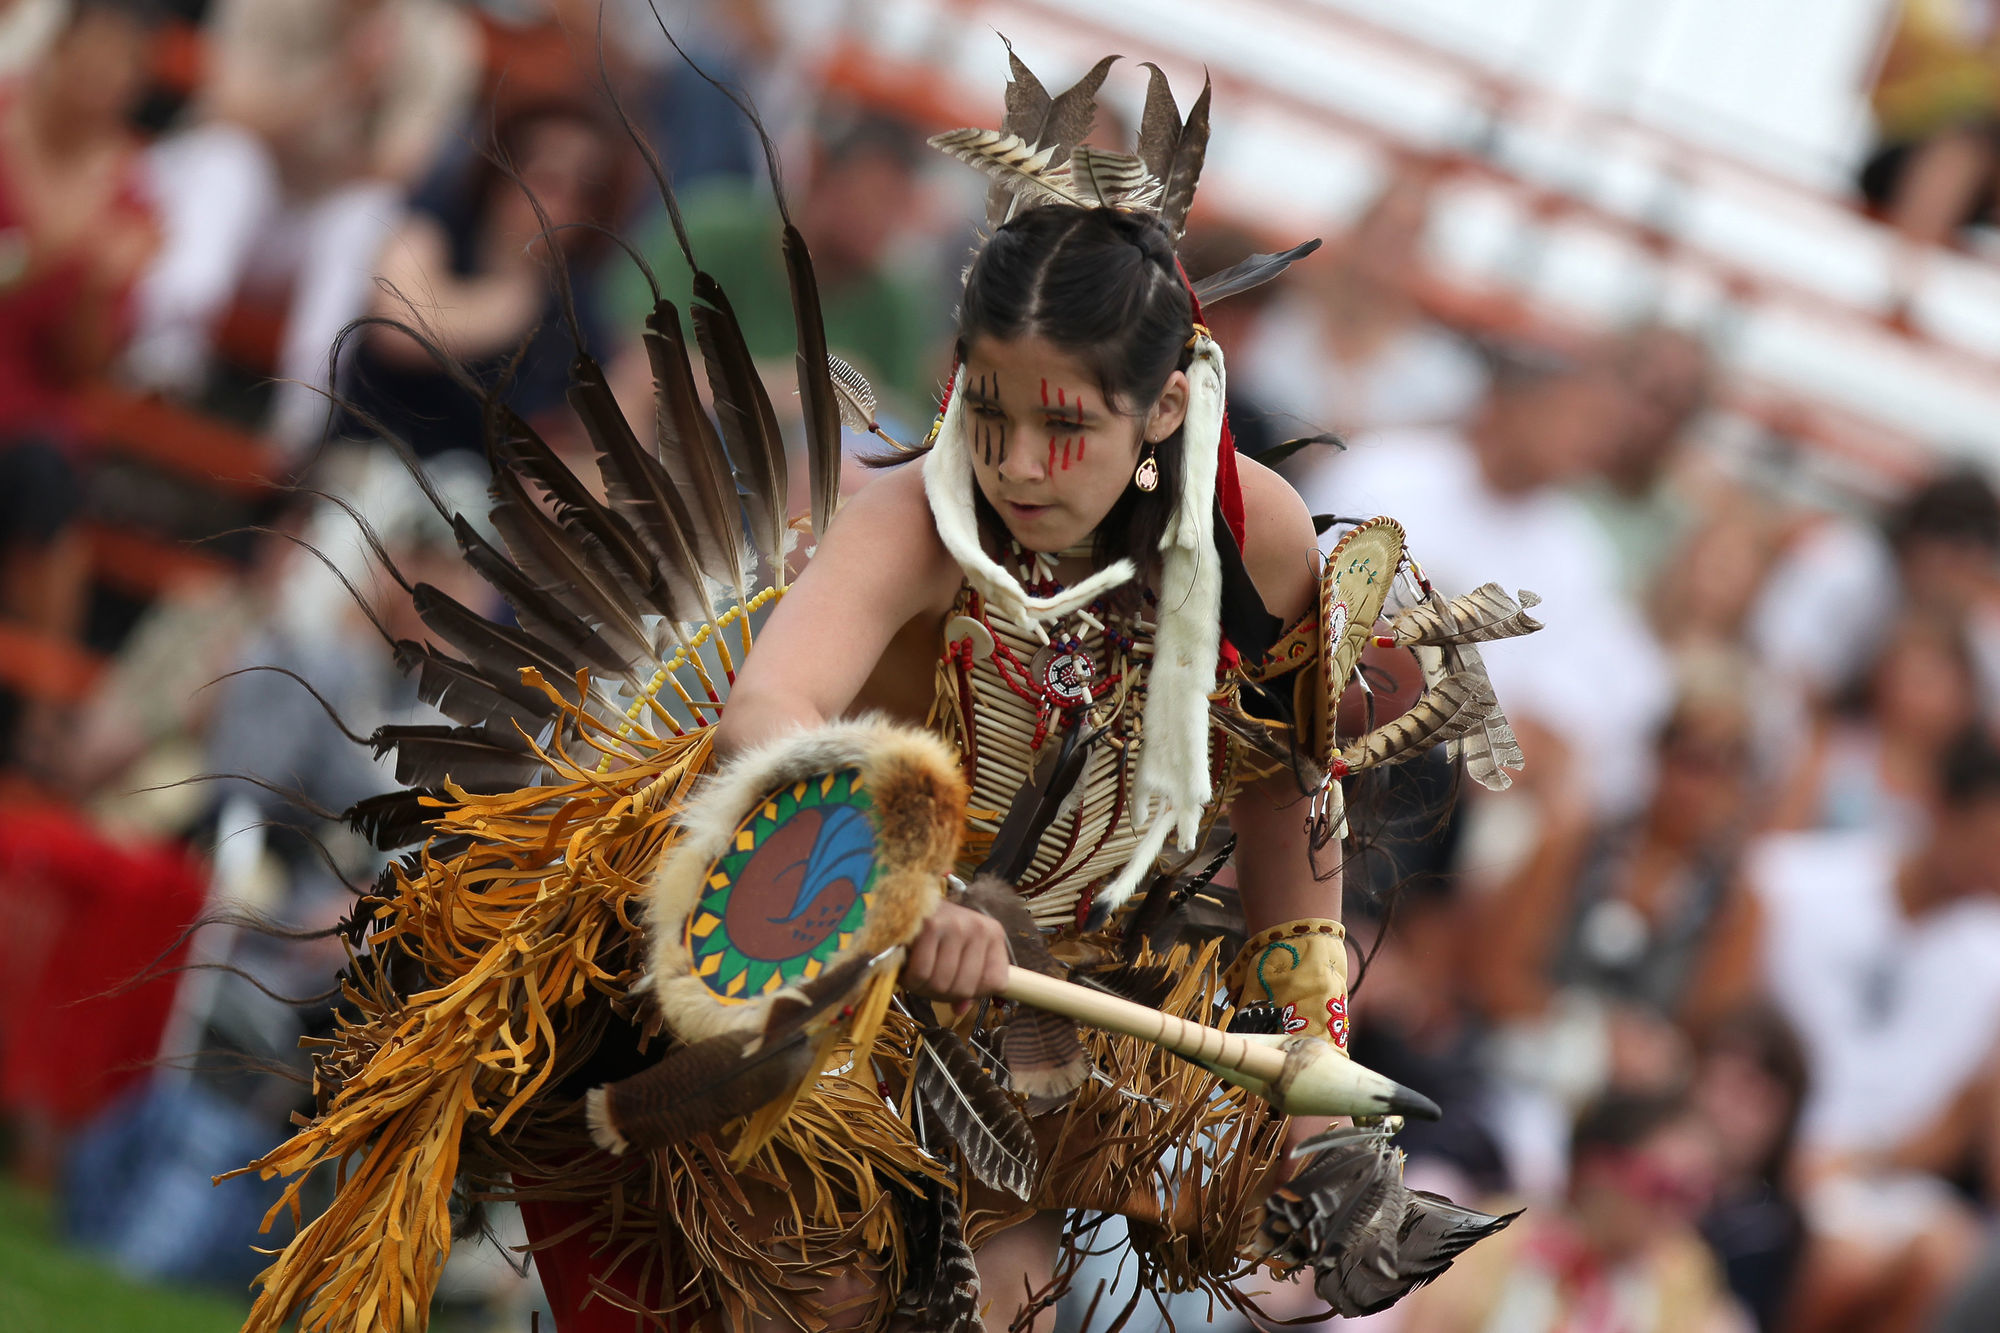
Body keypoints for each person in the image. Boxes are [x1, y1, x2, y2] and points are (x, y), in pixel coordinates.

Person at [224, 54, 1532, 1333]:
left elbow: (1284, 790)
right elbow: (765, 717)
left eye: (1063, 423)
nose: (1017, 461)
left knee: (1008, 1299)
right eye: (991, 412)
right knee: (838, 1281)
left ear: (1170, 404)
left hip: (1019, 976)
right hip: (788, 923)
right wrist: (904, 881)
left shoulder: (1260, 541)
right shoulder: (916, 517)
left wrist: (1313, 1094)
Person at [1289, 342, 1669, 818]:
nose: (1589, 441)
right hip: (1321, 719)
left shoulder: (1581, 556)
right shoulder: (1388, 472)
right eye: (1574, 416)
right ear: (1510, 404)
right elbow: (1300, 599)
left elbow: (1564, 713)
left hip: (1456, 785)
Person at [124, 0, 479, 453]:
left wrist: (320, 117)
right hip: (213, 202)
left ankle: (305, 411)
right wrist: (340, 82)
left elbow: (397, 170)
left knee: (366, 209)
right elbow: (229, 114)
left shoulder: (439, 40)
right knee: (229, 161)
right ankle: (164, 354)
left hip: (309, 231)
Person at [1749, 727, 2000, 1333]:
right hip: (1771, 1151)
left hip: (1882, 1178)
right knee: (1842, 1268)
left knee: (1951, 1258)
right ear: (1943, 809)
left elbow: (1956, 1122)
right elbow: (1731, 1028)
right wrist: (1782, 1149)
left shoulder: (1993, 958)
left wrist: (1860, 1161)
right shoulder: (1794, 882)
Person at [0, 0, 159, 758]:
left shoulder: (131, 196)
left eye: (121, 64)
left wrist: (96, 289)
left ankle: (40, 714)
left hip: (30, 418)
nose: (102, 76)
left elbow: (85, 367)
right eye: (92, 53)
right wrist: (49, 251)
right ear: (57, 50)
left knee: (49, 477)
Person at [342, 99, 633, 461]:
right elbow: (401, 333)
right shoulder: (436, 225)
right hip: (363, 452)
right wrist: (513, 301)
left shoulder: (578, 316)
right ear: (502, 175)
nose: (559, 211)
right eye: (548, 182)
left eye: (584, 195)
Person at [1398, 1090, 1747, 1333]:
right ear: (1598, 1171)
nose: (1680, 1213)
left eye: (1699, 1194)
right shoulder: (1491, 1241)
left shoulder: (1683, 1274)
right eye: (1666, 1188)